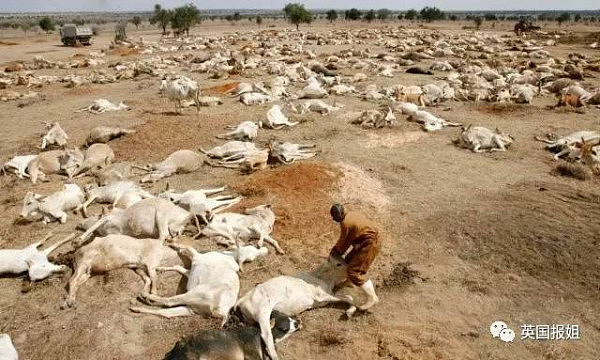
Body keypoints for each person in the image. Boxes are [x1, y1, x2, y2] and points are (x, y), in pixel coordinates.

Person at [329, 203, 381, 310]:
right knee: (348, 260)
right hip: (364, 241)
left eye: (336, 216)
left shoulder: (346, 223)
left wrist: (336, 251)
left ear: (342, 213)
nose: (335, 219)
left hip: (370, 243)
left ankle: (372, 298)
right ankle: (349, 283)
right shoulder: (350, 215)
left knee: (355, 271)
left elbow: (344, 241)